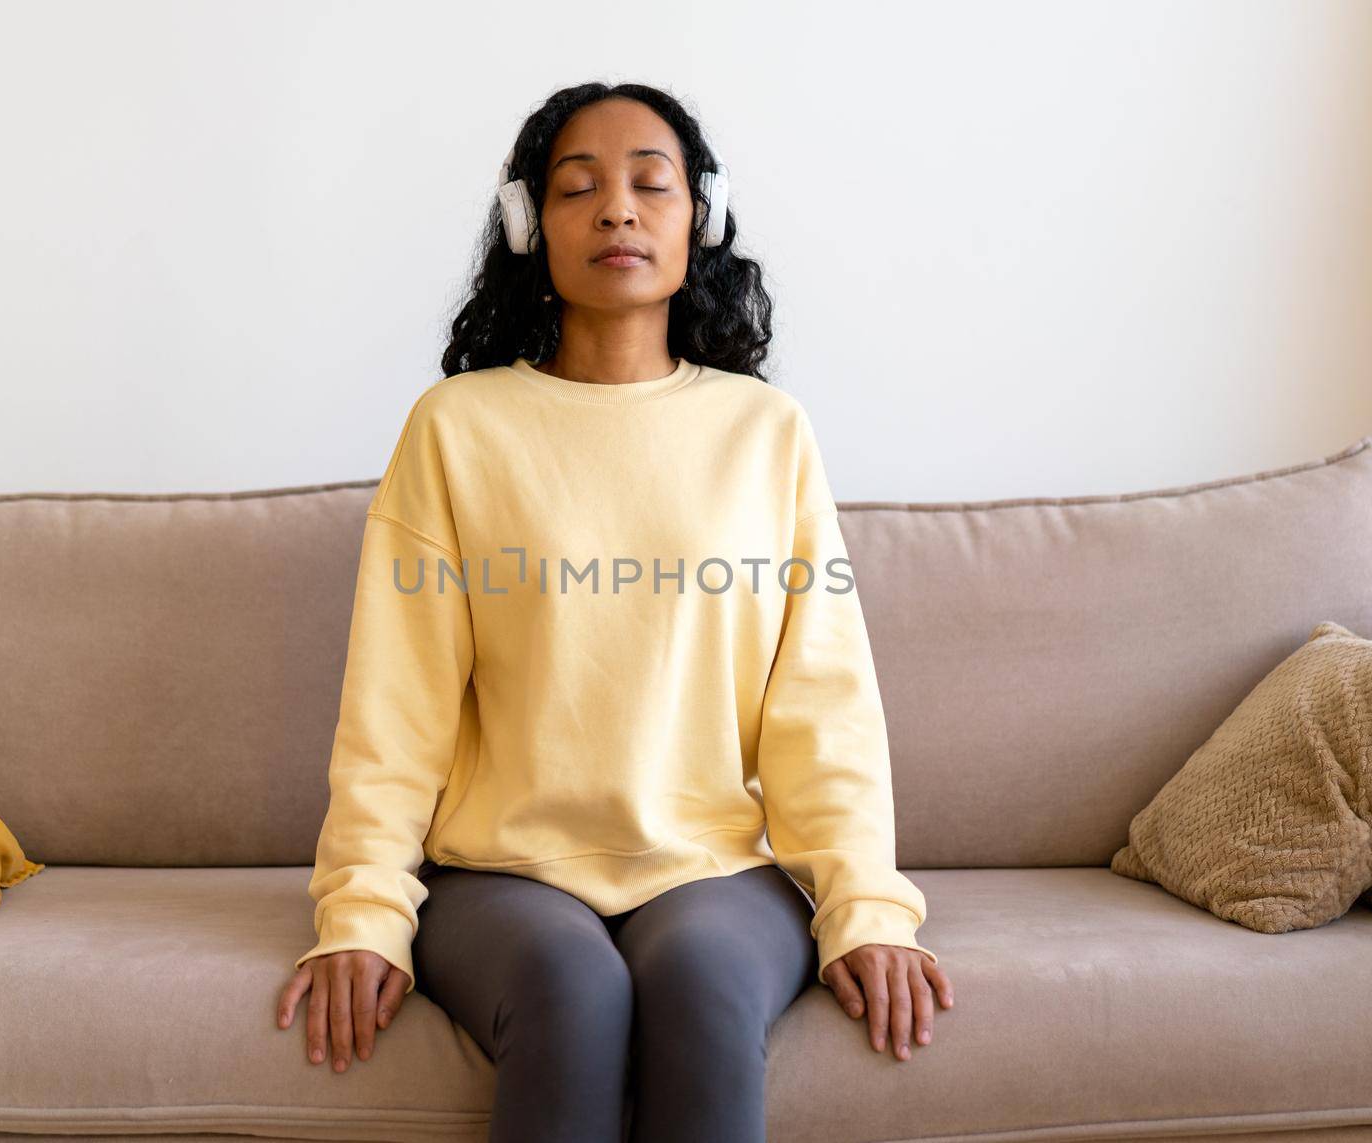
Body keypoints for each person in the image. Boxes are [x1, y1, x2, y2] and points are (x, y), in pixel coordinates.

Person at [276, 81, 954, 1143]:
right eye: (577, 187)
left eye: (652, 184)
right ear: (525, 225)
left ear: (702, 217)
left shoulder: (765, 434)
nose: (619, 211)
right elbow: (393, 710)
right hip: (501, 875)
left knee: (697, 980)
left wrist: (867, 906)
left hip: (712, 869)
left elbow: (822, 702)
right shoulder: (457, 429)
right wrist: (360, 912)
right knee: (570, 987)